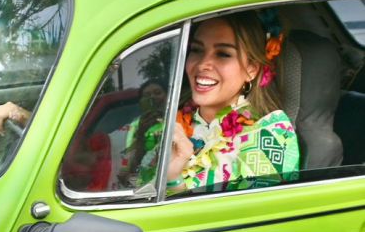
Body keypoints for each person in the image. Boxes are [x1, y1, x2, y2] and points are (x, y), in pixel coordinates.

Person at [167, 11, 299, 193]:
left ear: (251, 69)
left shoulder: (269, 134)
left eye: (223, 54)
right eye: (197, 50)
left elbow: (260, 210)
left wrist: (174, 181)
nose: (203, 64)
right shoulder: (171, 120)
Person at [118, 79, 168, 188]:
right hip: (145, 186)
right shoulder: (134, 127)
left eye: (157, 93)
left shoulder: (177, 119)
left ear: (168, 97)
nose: (152, 97)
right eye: (147, 95)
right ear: (141, 102)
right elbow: (128, 168)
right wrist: (141, 134)